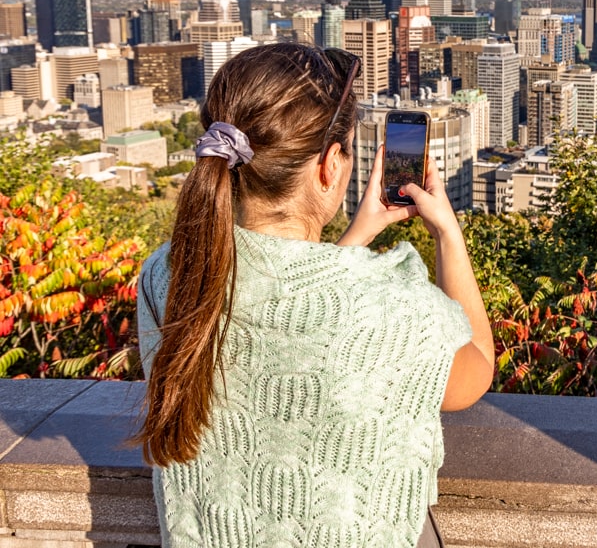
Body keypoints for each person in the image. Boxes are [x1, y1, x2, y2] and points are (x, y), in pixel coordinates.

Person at [136, 43, 494, 548]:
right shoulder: (391, 304)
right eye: (346, 147)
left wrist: (353, 240)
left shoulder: (169, 272)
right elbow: (473, 373)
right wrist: (448, 237)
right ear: (330, 165)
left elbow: (283, 310)